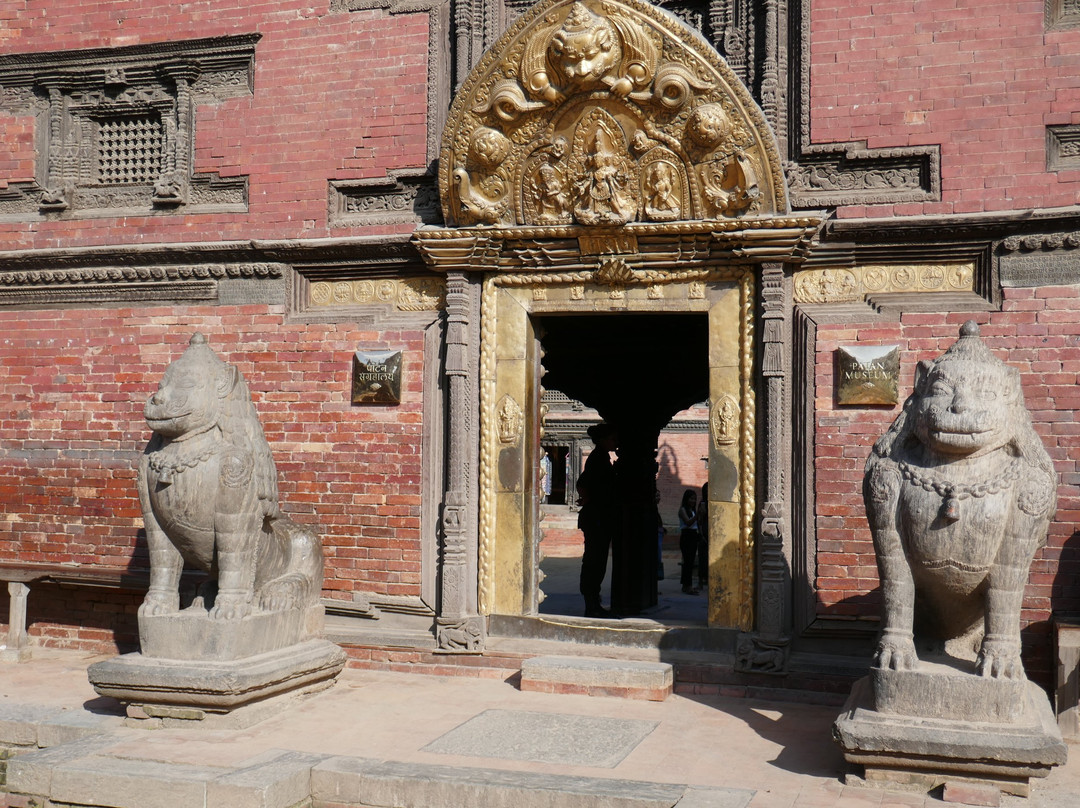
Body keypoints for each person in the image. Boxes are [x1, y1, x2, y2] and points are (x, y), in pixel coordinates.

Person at [577, 423, 620, 618]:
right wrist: (589, 499)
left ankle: (594, 602)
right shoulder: (598, 459)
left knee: (597, 560)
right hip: (597, 518)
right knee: (594, 561)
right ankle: (591, 603)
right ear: (603, 440)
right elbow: (583, 483)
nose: (615, 442)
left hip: (599, 516)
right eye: (612, 439)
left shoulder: (601, 458)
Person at [678, 488, 699, 595]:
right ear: (686, 499)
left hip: (694, 535)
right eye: (691, 498)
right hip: (686, 536)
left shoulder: (692, 510)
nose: (693, 501)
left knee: (690, 562)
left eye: (694, 499)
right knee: (687, 561)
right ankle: (688, 585)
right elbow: (688, 522)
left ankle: (685, 585)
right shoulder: (682, 510)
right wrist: (698, 515)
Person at [696, 482, 708, 590]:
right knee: (702, 558)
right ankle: (700, 580)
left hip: (711, 531)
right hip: (704, 531)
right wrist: (701, 533)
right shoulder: (703, 503)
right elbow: (700, 520)